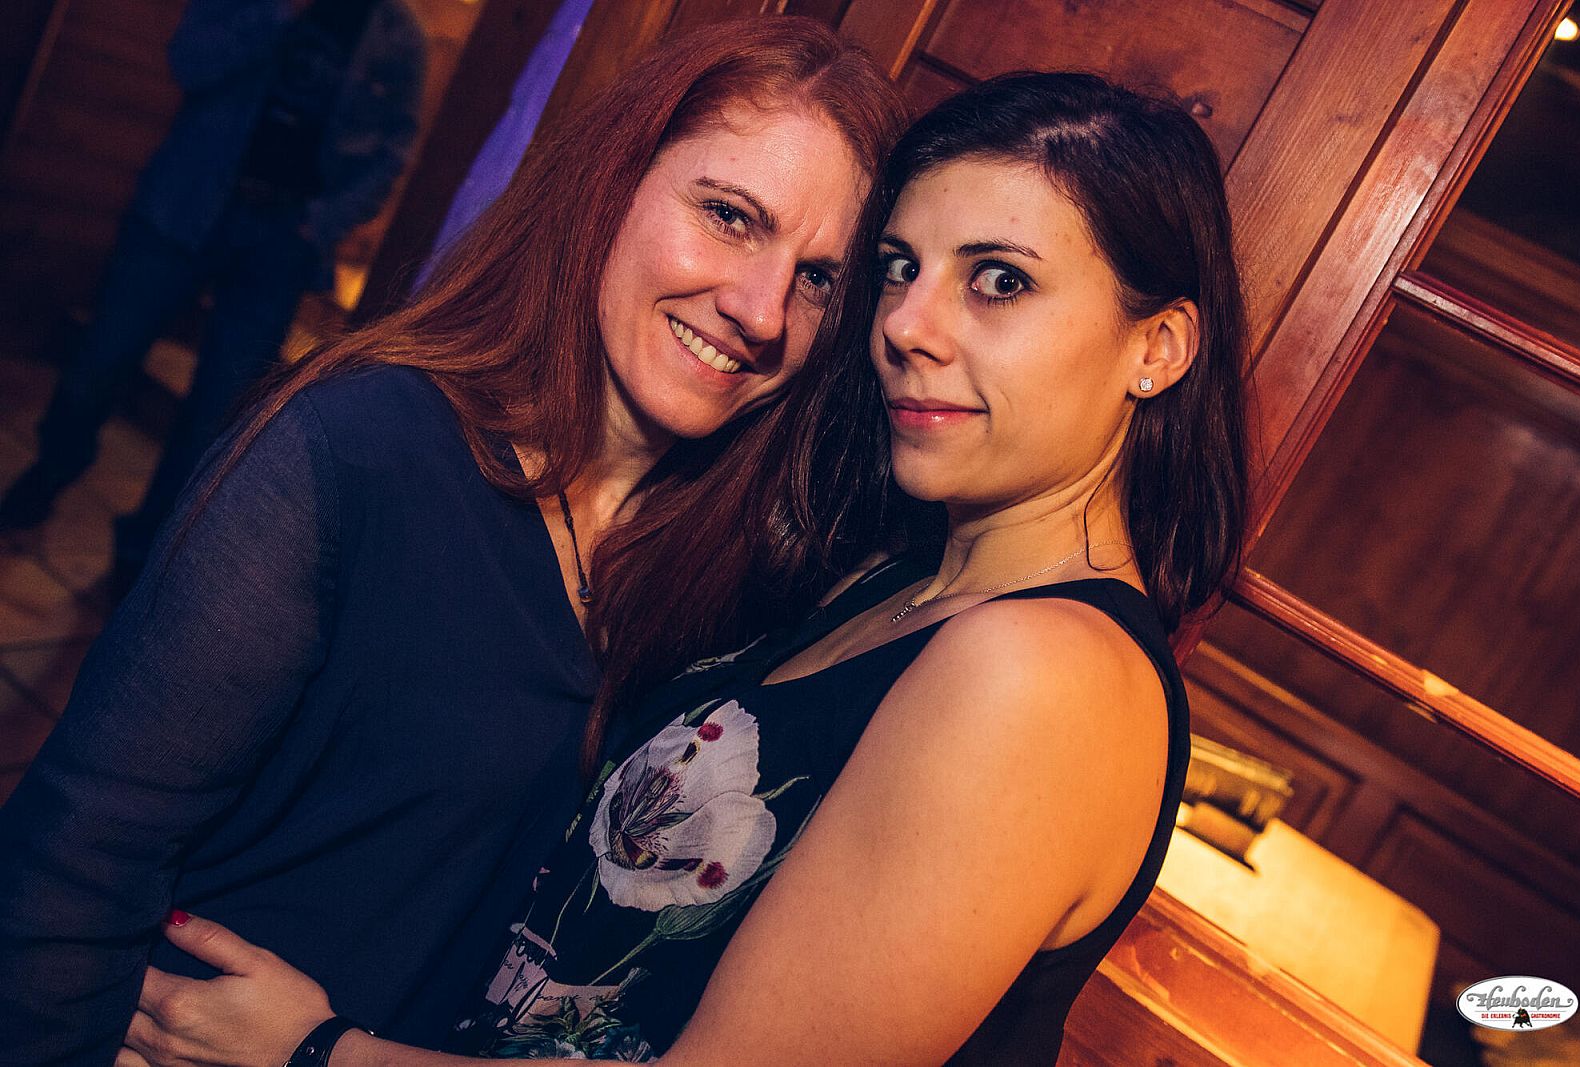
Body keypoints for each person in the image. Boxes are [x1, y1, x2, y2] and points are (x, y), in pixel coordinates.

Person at [118, 70, 1248, 1066]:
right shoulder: (902, 585)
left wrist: (316, 1051)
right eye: (899, 269)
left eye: (998, 280)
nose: (908, 324)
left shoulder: (1041, 674)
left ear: (1156, 347)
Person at [0, 17, 903, 1065]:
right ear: (614, 182)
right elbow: (79, 854)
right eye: (730, 216)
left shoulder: (719, 575)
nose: (761, 309)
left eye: (818, 278)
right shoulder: (353, 453)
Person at [0, 0, 427, 583]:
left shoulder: (398, 37)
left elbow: (392, 152)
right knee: (102, 357)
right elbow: (190, 61)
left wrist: (322, 224)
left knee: (217, 410)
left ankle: (142, 552)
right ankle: (51, 472)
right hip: (184, 205)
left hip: (282, 241)